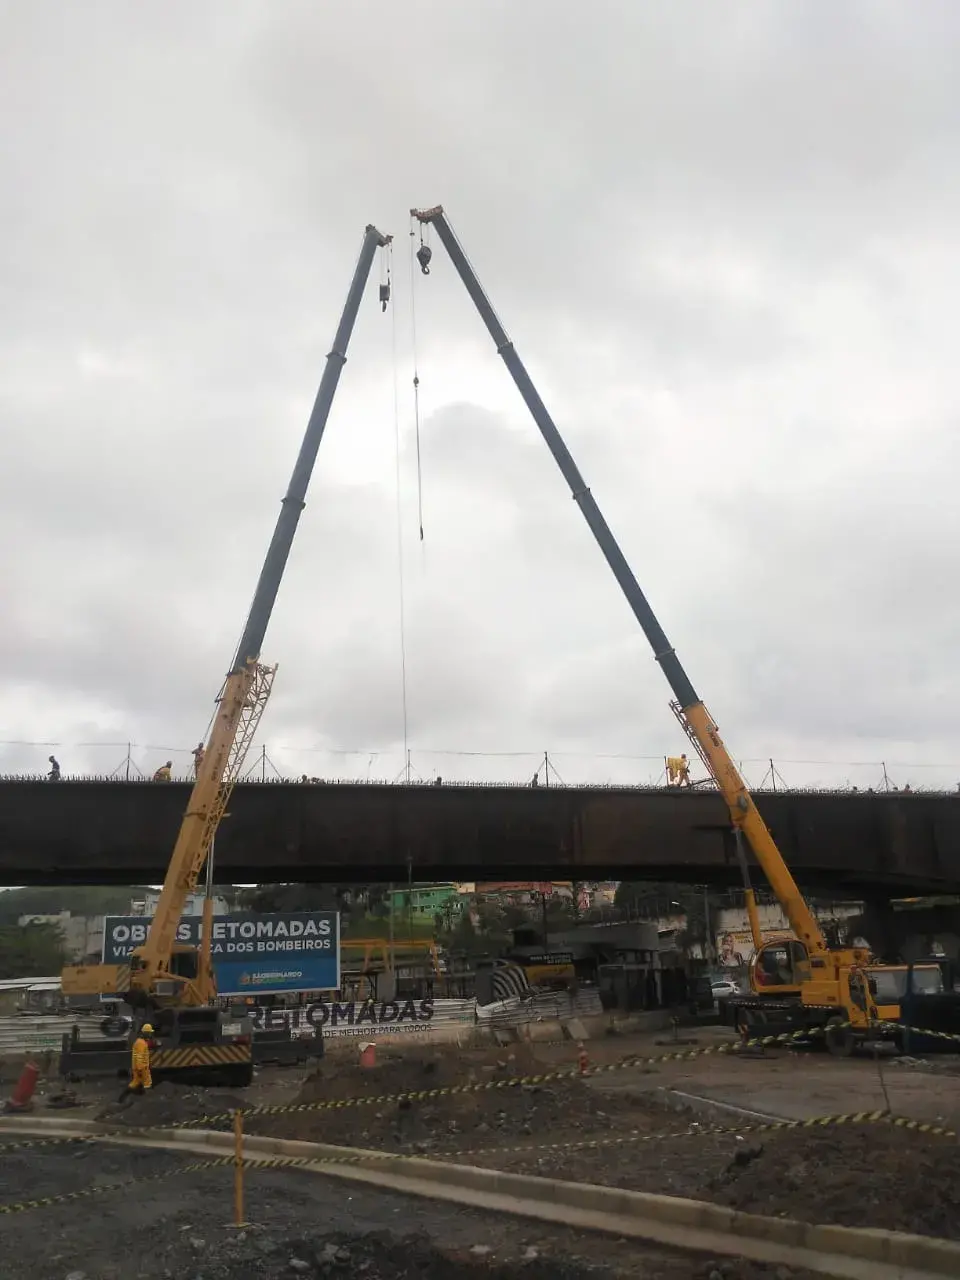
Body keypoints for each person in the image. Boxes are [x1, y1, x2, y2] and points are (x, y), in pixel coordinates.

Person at [129, 1023, 154, 1093]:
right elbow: (139, 1057)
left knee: (139, 1082)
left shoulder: (141, 1042)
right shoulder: (141, 1043)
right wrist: (140, 1069)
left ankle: (127, 1095)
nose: (150, 1035)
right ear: (146, 1033)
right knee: (140, 1083)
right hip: (141, 1068)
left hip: (143, 1068)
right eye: (149, 1033)